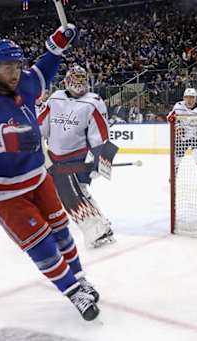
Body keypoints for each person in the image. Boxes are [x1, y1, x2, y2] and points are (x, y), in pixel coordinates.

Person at [0, 26, 101, 321]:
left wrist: (57, 45)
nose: (15, 72)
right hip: (3, 192)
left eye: (17, 64)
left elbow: (41, 72)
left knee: (61, 230)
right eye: (7, 66)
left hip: (36, 176)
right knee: (42, 243)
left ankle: (80, 278)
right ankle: (73, 292)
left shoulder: (24, 83)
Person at [37, 65, 115, 249]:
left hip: (78, 158)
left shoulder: (94, 102)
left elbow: (102, 134)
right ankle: (101, 225)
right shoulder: (55, 98)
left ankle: (99, 229)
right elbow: (42, 125)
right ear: (67, 80)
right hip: (55, 157)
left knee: (74, 193)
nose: (79, 83)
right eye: (75, 79)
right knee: (70, 193)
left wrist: (100, 161)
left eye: (82, 79)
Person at [167, 88, 197, 188]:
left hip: (196, 136)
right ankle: (173, 176)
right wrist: (178, 128)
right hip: (182, 137)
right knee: (176, 158)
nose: (189, 100)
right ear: (184, 98)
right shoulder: (178, 106)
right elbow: (170, 117)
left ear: (195, 98)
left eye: (192, 97)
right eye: (187, 97)